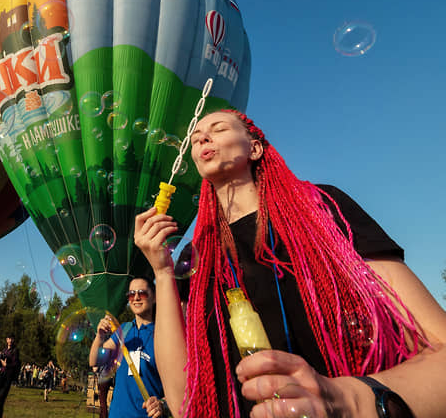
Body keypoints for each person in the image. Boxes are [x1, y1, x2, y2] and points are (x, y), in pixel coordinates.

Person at [134, 109, 446, 418]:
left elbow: (439, 346)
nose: (203, 137)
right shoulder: (196, 258)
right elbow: (181, 403)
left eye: (218, 129)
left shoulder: (322, 209)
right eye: (197, 136)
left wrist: (351, 401)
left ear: (254, 147)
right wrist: (162, 271)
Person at [89, 277, 166, 418]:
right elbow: (95, 361)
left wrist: (162, 404)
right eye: (131, 294)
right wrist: (99, 336)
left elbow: (182, 388)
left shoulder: (163, 335)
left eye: (142, 293)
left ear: (154, 297)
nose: (136, 298)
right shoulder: (124, 330)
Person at [0, 334, 20, 418]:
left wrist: (7, 365)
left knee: (0, 399)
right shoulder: (4, 350)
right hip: (1, 376)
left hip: (8, 377)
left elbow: (16, 364)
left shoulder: (15, 351)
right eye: (8, 339)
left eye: (11, 339)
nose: (10, 340)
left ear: (13, 340)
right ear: (6, 340)